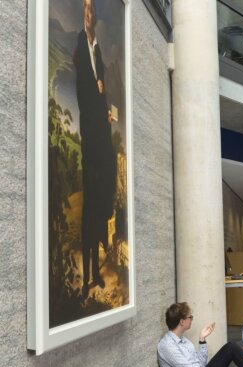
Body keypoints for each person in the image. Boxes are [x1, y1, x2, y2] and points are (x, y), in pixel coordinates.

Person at [74, 0, 117, 296]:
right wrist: (97, 91)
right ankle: (89, 274)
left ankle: (98, 258)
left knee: (105, 185)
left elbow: (100, 89)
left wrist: (107, 112)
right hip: (90, 134)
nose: (89, 13)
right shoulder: (81, 44)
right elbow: (85, 87)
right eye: (86, 8)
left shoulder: (98, 49)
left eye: (92, 9)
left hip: (100, 129)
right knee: (90, 204)